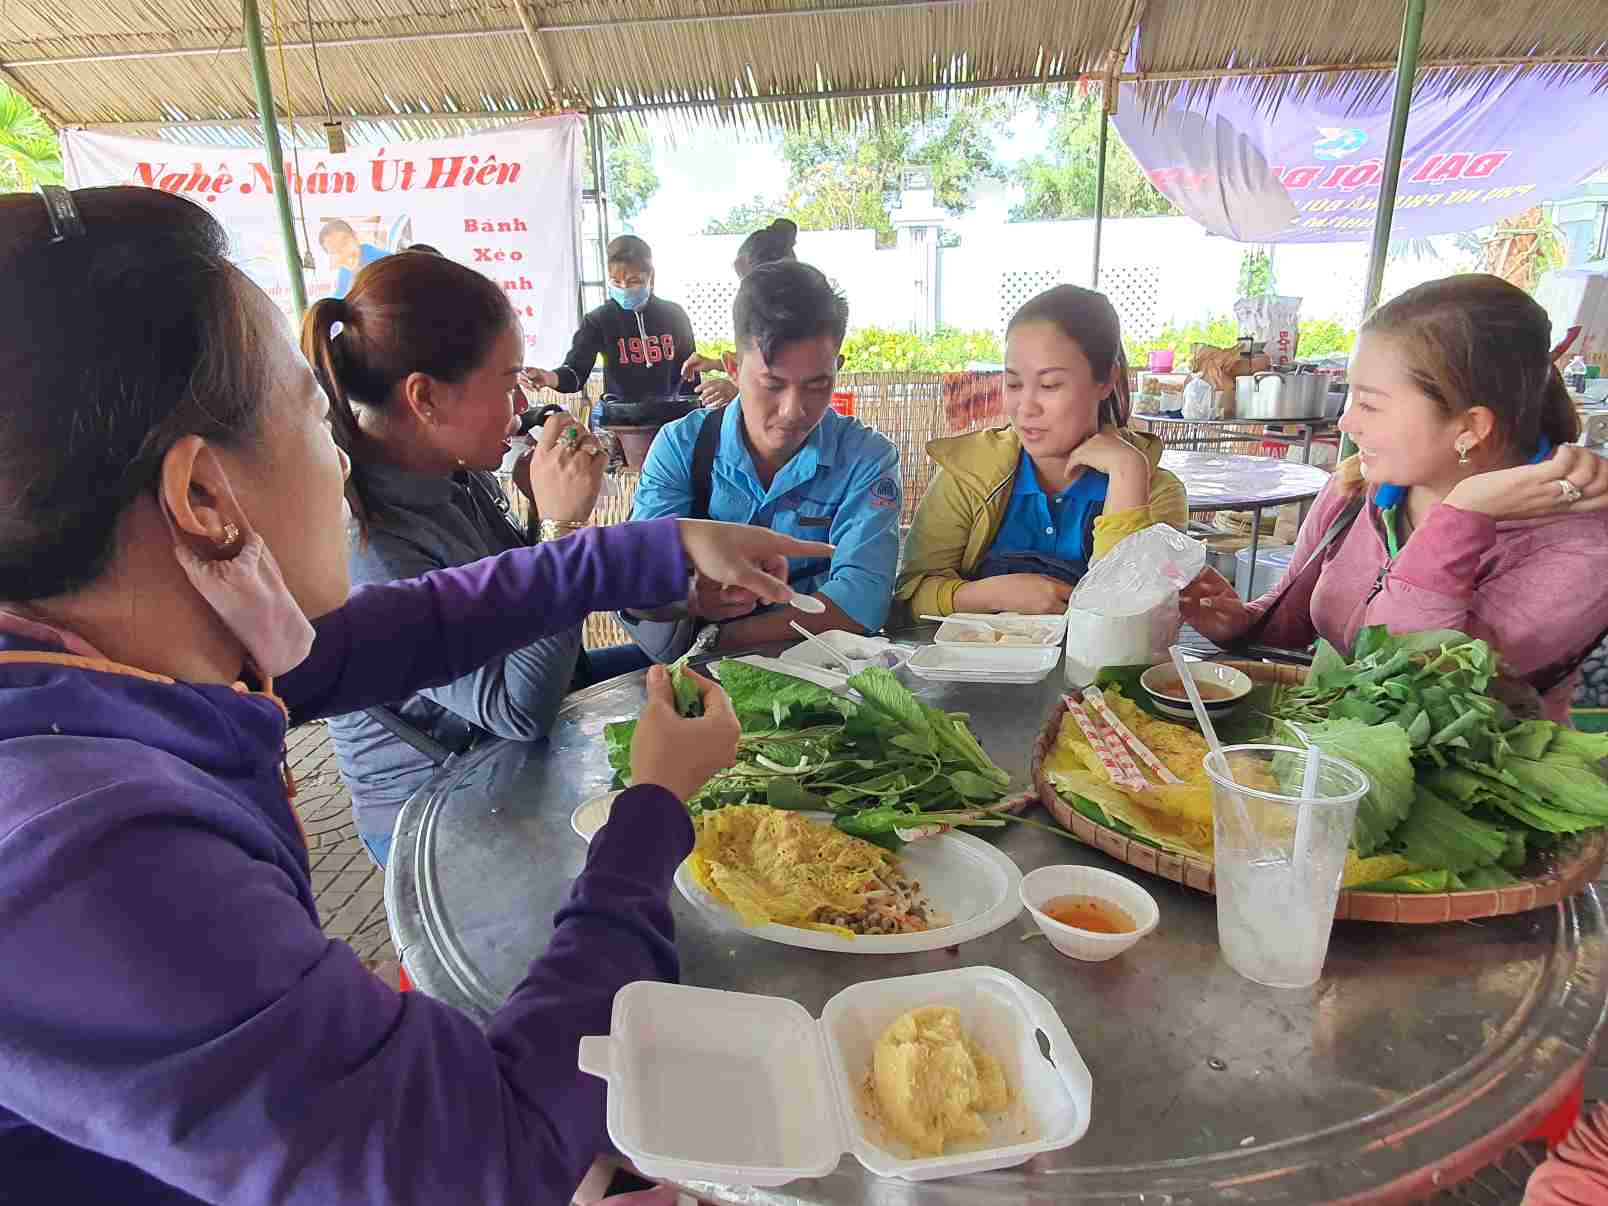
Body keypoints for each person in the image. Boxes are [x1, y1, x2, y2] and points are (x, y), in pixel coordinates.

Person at [0, 184, 832, 1205]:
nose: (336, 456)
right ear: (203, 498)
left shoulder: (119, 662)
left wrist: (654, 549)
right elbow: (498, 1153)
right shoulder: (83, 856)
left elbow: (422, 624)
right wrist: (650, 812)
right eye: (314, 419)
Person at [302, 251, 648, 869]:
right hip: (435, 811)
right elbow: (519, 708)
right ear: (425, 398)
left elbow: (520, 618)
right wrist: (564, 531)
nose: (520, 407)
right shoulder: (372, 543)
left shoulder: (454, 477)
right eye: (506, 381)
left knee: (676, 667)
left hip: (502, 763)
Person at [1180, 274, 1608, 721]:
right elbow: (1298, 624)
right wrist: (1239, 623)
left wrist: (1461, 516)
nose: (1346, 423)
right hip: (1336, 747)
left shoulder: (1580, 549)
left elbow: (1420, 690)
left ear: (1471, 427)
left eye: (1369, 405)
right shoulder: (1354, 489)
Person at [624, 259, 902, 660]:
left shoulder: (867, 460)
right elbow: (640, 576)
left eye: (817, 385)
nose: (793, 410)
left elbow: (863, 599)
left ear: (837, 369)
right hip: (702, 679)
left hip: (825, 675)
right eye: (772, 384)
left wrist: (722, 641)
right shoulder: (681, 447)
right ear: (734, 368)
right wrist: (693, 599)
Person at [896, 285, 1187, 619]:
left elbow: (1130, 622)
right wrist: (988, 594)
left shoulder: (1156, 493)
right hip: (979, 669)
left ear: (1106, 380)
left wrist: (1126, 473)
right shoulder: (969, 476)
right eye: (1014, 384)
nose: (1026, 407)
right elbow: (909, 598)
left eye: (1050, 385)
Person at [525, 235, 735, 406]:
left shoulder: (674, 315)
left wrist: (694, 411)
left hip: (672, 421)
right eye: (617, 282)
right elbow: (575, 374)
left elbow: (689, 376)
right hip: (624, 424)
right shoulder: (598, 321)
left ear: (650, 278)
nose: (624, 288)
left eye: (634, 281)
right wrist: (548, 377)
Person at [681, 219, 801, 390]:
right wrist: (715, 364)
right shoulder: (779, 304)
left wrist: (738, 391)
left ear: (742, 266)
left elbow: (788, 370)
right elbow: (766, 358)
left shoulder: (794, 311)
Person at [318, 218, 387, 298]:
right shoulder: (344, 271)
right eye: (335, 251)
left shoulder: (382, 261)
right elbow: (338, 297)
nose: (344, 253)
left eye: (344, 243)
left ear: (355, 236)